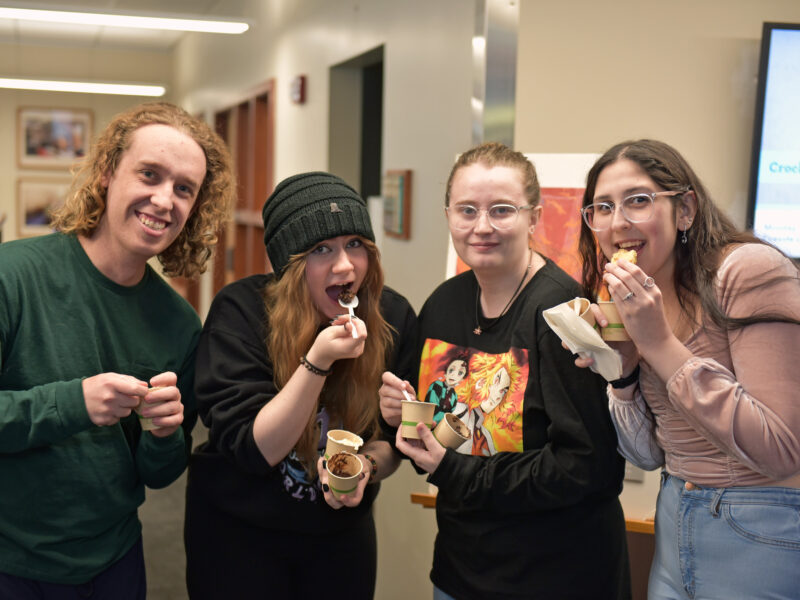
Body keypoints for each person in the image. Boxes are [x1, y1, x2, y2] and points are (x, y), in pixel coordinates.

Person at [0, 102, 235, 598]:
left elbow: (159, 474)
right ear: (107, 174)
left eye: (184, 189)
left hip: (115, 563)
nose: (163, 200)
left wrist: (164, 434)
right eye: (149, 174)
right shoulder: (13, 276)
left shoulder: (179, 324)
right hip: (11, 561)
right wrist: (74, 403)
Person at [379, 142, 631, 600]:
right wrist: (404, 417)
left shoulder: (561, 312)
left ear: (534, 217)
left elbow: (588, 467)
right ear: (448, 216)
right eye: (467, 210)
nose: (482, 226)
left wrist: (454, 471)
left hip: (554, 577)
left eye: (501, 210)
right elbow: (441, 438)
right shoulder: (442, 306)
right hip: (461, 571)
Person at [575, 139, 800, 600]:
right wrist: (622, 370)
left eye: (638, 200)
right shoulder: (636, 298)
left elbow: (781, 449)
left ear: (686, 210)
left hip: (759, 522)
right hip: (675, 509)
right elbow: (648, 455)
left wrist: (658, 343)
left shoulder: (747, 270)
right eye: (602, 207)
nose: (618, 222)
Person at [184, 172, 417, 600]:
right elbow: (258, 450)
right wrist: (318, 361)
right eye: (321, 250)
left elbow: (393, 443)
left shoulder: (393, 317)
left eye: (355, 245)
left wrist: (366, 467)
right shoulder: (241, 312)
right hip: (239, 530)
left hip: (339, 536)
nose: (345, 265)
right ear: (290, 266)